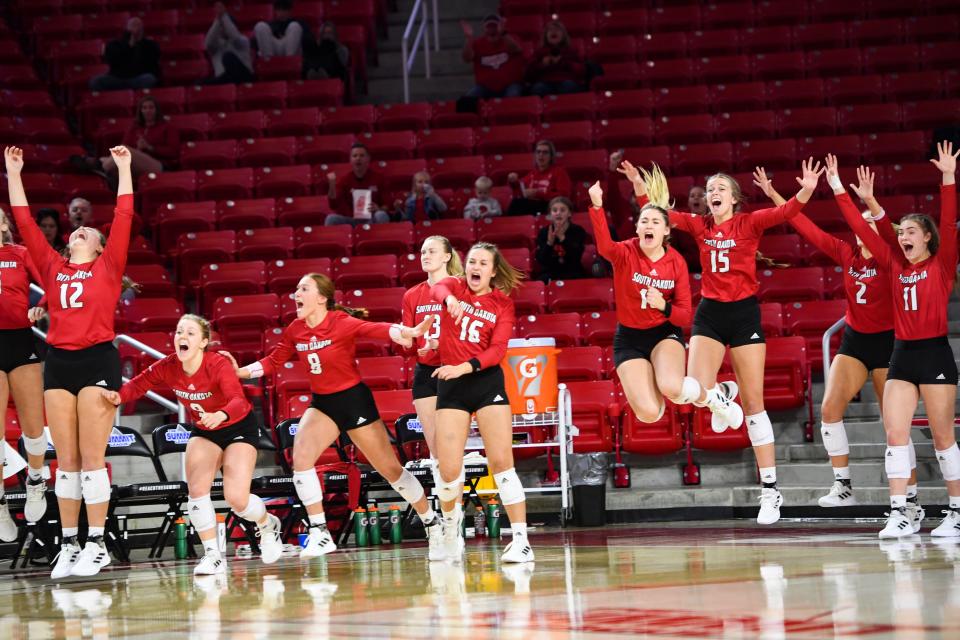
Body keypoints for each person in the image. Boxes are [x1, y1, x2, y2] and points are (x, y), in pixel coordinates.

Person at [623, 156, 824, 525]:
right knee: (694, 388)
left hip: (744, 313)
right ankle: (720, 397)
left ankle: (770, 491)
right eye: (709, 188)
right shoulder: (699, 226)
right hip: (711, 313)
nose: (712, 192)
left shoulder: (750, 222)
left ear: (733, 199)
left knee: (754, 406)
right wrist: (639, 185)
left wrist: (807, 189)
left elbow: (788, 212)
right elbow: (653, 214)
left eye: (720, 189)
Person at [222, 274, 445, 558]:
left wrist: (406, 332)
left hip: (353, 402)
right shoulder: (296, 329)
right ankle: (320, 532)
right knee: (300, 458)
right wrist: (240, 372)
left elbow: (375, 329)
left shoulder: (340, 323)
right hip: (323, 404)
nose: (296, 294)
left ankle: (431, 521)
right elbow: (273, 361)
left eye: (304, 289)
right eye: (296, 288)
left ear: (322, 298)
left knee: (391, 471)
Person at [752, 164, 923, 527]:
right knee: (829, 409)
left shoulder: (890, 257)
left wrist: (856, 199)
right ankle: (844, 485)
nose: (861, 230)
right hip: (855, 340)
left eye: (868, 225)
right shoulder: (847, 253)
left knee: (894, 424)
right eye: (858, 225)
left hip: (890, 343)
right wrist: (774, 197)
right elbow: (807, 228)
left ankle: (911, 499)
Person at [6, 145, 134, 578]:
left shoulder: (109, 266)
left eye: (87, 233)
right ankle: (69, 543)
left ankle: (96, 544)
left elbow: (124, 217)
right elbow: (23, 223)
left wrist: (124, 168)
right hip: (58, 362)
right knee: (68, 460)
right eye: (76, 231)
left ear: (100, 249)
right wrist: (14, 172)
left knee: (92, 458)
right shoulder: (53, 267)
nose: (79, 232)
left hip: (98, 360)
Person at [837, 144, 960, 538]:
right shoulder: (892, 264)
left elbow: (949, 218)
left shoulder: (941, 265)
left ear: (927, 238)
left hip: (935, 353)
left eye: (911, 231)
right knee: (895, 435)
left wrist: (947, 177)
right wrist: (843, 190)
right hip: (902, 355)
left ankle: (957, 512)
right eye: (900, 232)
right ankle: (902, 512)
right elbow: (862, 229)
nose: (903, 236)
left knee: (943, 438)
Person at [102, 314, 282, 575]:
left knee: (237, 499)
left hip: (238, 428)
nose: (182, 337)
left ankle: (267, 525)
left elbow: (239, 401)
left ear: (203, 342)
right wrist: (119, 396)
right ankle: (212, 555)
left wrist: (220, 414)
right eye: (178, 332)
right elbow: (140, 383)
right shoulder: (169, 365)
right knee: (196, 489)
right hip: (205, 430)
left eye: (190, 333)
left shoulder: (217, 364)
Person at [430, 242, 533, 563]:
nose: (476, 266)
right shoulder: (453, 286)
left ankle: (520, 540)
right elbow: (438, 287)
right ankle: (451, 527)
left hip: (485, 381)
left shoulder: (502, 303)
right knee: (447, 471)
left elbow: (498, 350)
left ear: (492, 270)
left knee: (502, 462)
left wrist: (465, 366)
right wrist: (449, 300)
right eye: (472, 261)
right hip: (451, 386)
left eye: (483, 263)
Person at [586, 169, 693, 424]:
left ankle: (710, 395)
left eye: (655, 222)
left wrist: (664, 307)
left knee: (672, 389)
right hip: (629, 338)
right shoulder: (625, 252)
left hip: (663, 333)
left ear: (666, 231)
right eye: (644, 221)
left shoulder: (677, 262)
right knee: (649, 415)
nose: (648, 225)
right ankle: (659, 383)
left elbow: (685, 317)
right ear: (636, 227)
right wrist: (598, 206)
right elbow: (604, 246)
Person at [0, 207, 49, 538]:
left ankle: (35, 478)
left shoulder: (20, 254)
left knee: (33, 426)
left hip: (20, 340)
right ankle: (1, 503)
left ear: (4, 224)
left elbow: (52, 283)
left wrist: (41, 305)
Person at [401, 237, 464, 492]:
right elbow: (407, 341)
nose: (425, 255)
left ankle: (456, 511)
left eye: (432, 251)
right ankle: (447, 514)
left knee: (452, 446)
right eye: (423, 251)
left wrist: (440, 344)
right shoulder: (412, 294)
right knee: (436, 449)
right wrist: (406, 339)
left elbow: (469, 334)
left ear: (447, 256)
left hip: (455, 372)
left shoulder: (461, 289)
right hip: (425, 372)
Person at [72, 97, 180, 185]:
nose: (147, 110)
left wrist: (150, 148)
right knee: (120, 158)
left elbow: (173, 151)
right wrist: (138, 149)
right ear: (140, 111)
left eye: (151, 107)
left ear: (157, 110)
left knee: (123, 151)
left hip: (159, 165)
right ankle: (102, 168)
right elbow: (124, 145)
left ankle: (100, 165)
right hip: (133, 164)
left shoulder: (168, 127)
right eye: (144, 108)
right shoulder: (134, 128)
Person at [324, 143, 390, 226]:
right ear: (350, 160)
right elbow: (333, 205)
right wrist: (332, 186)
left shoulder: (379, 179)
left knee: (381, 215)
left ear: (368, 159)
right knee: (331, 219)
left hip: (372, 219)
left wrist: (378, 208)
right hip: (351, 220)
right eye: (354, 156)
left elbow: (388, 206)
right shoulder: (344, 180)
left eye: (362, 156)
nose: (358, 158)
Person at [88, 17, 161, 91]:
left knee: (149, 79)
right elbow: (112, 61)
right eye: (132, 25)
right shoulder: (115, 44)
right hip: (117, 78)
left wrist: (138, 44)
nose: (135, 28)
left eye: (138, 25)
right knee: (96, 82)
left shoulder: (150, 45)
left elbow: (153, 62)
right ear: (126, 28)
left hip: (138, 78)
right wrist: (128, 46)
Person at [461, 14, 524, 99]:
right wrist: (469, 38)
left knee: (512, 96)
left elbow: (516, 49)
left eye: (494, 26)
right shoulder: (478, 43)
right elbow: (467, 58)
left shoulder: (511, 38)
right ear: (484, 29)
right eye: (489, 27)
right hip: (485, 87)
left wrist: (503, 34)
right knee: (467, 99)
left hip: (510, 85)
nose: (492, 30)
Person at [506, 140, 572, 216]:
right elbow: (520, 189)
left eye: (545, 152)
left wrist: (537, 193)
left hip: (550, 207)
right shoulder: (533, 174)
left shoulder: (559, 172)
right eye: (538, 152)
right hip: (533, 207)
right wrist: (512, 181)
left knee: (518, 204)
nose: (541, 155)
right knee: (517, 202)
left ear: (551, 156)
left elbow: (564, 196)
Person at [525, 20, 586, 97]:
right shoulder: (539, 52)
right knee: (538, 88)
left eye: (557, 30)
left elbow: (581, 71)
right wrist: (542, 64)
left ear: (563, 35)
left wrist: (563, 62)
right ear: (545, 36)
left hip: (566, 81)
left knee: (569, 86)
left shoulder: (571, 51)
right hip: (544, 82)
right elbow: (528, 74)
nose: (554, 32)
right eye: (550, 30)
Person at [534, 196, 587, 282]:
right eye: (554, 210)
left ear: (569, 213)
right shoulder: (544, 232)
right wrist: (549, 243)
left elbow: (576, 257)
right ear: (550, 214)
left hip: (572, 271)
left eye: (562, 210)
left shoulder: (578, 231)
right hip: (550, 272)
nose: (558, 213)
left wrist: (562, 238)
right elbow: (542, 260)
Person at [204, 2, 255, 85]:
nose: (224, 28)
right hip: (224, 79)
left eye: (225, 25)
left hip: (244, 77)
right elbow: (208, 43)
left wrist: (224, 16)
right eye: (222, 26)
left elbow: (235, 37)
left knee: (228, 57)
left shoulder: (243, 41)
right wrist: (218, 20)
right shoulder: (215, 45)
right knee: (199, 85)